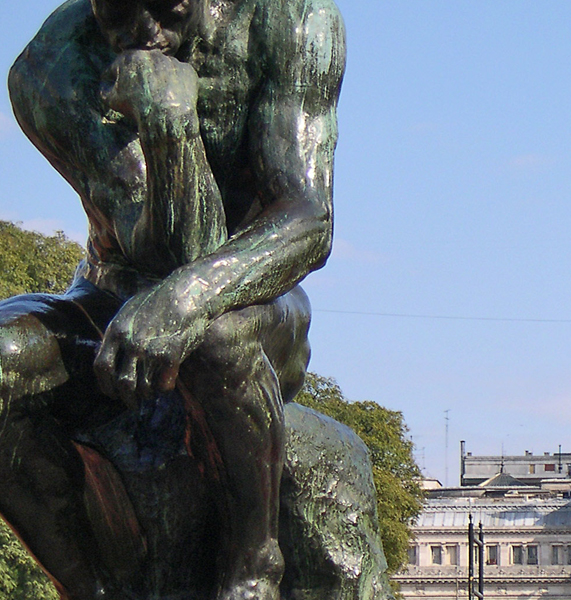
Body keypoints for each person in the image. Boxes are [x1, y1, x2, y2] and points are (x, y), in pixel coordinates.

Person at [1, 0, 344, 598]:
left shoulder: (294, 21)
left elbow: (308, 222)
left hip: (257, 301)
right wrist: (167, 129)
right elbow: (155, 247)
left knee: (213, 334)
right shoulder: (50, 68)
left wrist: (188, 298)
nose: (142, 36)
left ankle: (252, 567)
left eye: (165, 8)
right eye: (116, 14)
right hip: (109, 297)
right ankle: (93, 586)